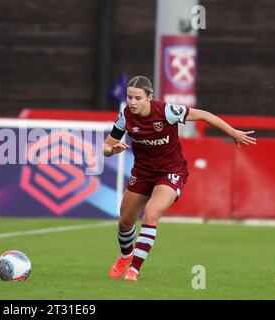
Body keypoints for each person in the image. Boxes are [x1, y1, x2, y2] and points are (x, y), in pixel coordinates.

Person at [104, 75, 256, 281]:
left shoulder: (167, 111)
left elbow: (203, 115)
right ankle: (125, 257)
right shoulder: (125, 117)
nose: (132, 102)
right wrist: (112, 150)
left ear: (149, 97)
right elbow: (106, 147)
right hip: (142, 172)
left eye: (138, 98)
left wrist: (233, 133)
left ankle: (134, 270)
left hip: (171, 171)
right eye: (130, 97)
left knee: (151, 214)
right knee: (125, 222)